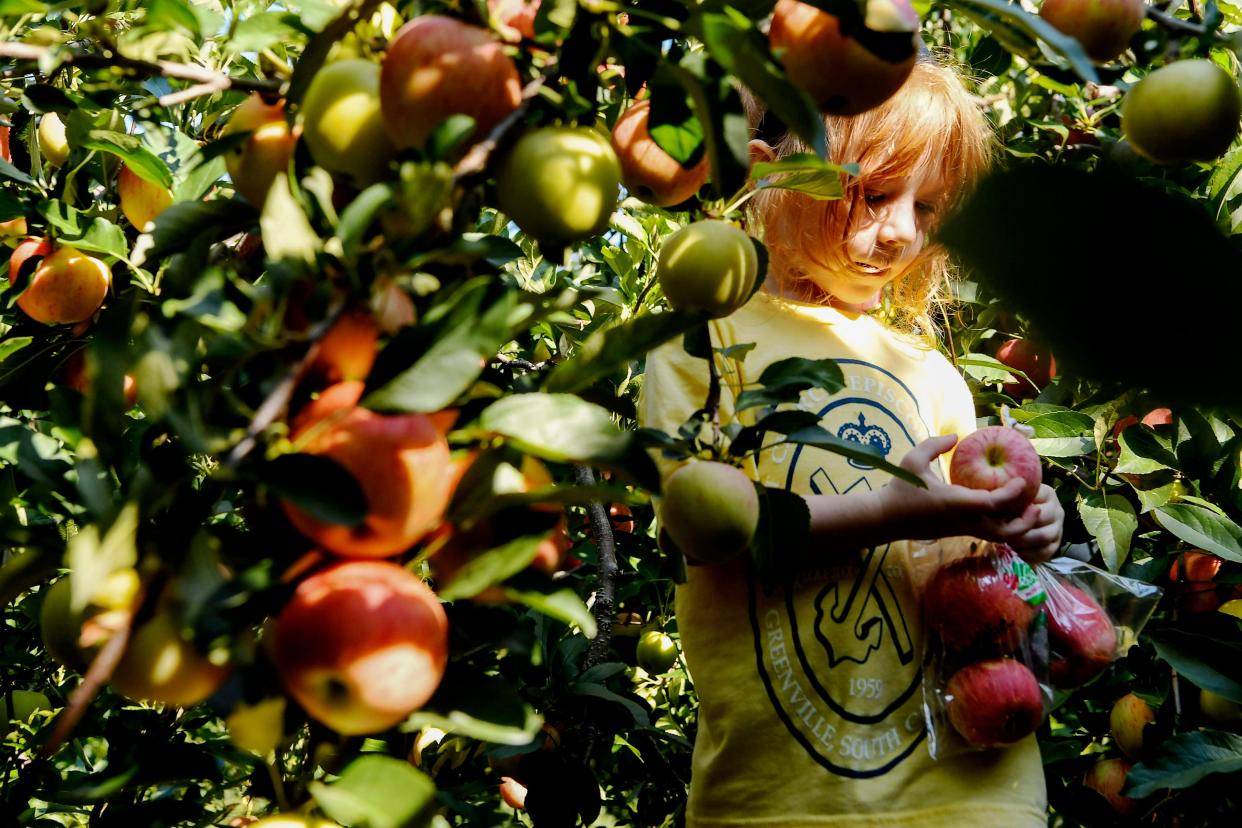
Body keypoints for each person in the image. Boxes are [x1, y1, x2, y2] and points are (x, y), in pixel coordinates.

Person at [638, 56, 1065, 827]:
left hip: (973, 788)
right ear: (772, 173)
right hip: (787, 798)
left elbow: (967, 566)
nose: (900, 229)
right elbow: (707, 532)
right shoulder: (707, 335)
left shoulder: (932, 374)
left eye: (927, 208)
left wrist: (1024, 528)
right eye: (870, 193)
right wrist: (894, 512)